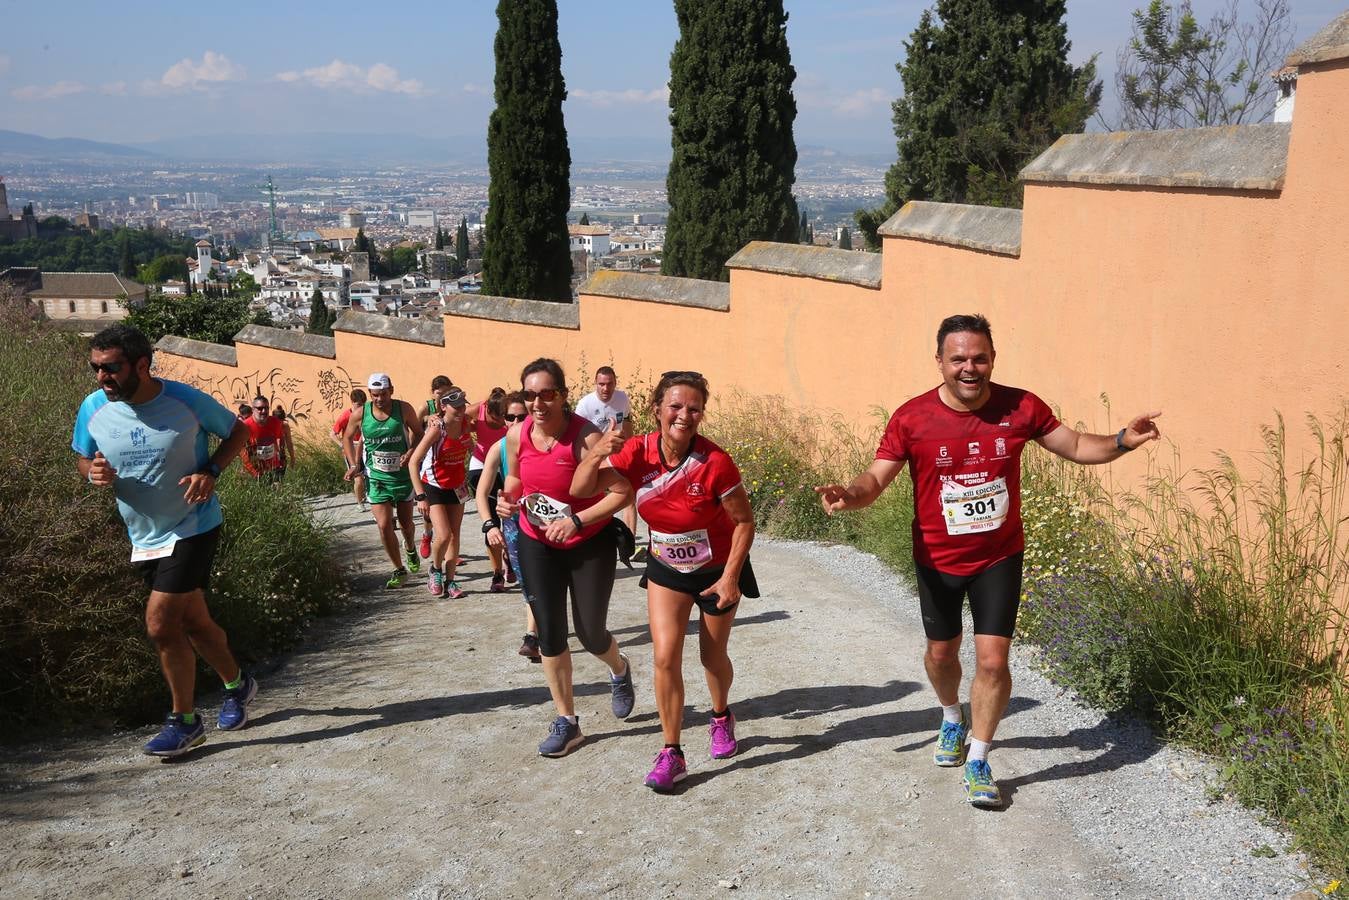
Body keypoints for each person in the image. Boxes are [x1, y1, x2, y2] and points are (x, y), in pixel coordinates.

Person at [815, 314, 1161, 808]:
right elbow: (875, 478)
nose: (969, 367)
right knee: (940, 654)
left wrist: (1124, 438)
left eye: (979, 357)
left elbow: (1080, 445)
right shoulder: (911, 418)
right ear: (940, 362)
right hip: (937, 558)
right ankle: (951, 718)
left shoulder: (1020, 406)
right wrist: (850, 495)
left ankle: (979, 756)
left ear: (993, 358)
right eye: (958, 358)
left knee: (993, 661)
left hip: (998, 556)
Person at [72, 324, 258, 758]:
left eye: (111, 368)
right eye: (96, 368)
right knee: (193, 622)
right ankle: (238, 685)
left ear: (141, 365)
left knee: (160, 624)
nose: (102, 377)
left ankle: (185, 721)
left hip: (193, 526)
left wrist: (209, 472)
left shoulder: (184, 401)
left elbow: (239, 432)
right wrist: (91, 473)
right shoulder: (93, 407)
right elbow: (83, 458)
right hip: (143, 534)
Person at [573, 370, 756, 792]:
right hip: (667, 568)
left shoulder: (716, 463)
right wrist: (595, 453)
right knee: (664, 656)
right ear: (656, 409)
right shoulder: (636, 452)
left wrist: (731, 578)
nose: (684, 415)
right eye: (675, 406)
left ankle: (720, 714)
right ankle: (671, 752)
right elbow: (581, 488)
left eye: (694, 408)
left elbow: (745, 522)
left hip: (716, 570)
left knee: (712, 658)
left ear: (702, 415)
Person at [498, 359, 636, 757]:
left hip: (587, 543)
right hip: (535, 541)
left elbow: (621, 492)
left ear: (561, 395)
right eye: (529, 395)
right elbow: (516, 479)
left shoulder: (585, 438)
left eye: (546, 394)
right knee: (550, 634)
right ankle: (568, 722)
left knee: (591, 634)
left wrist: (577, 520)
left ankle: (619, 668)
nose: (537, 403)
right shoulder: (516, 434)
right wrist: (507, 501)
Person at [342, 373, 424, 588]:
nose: (380, 399)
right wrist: (353, 465)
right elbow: (347, 437)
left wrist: (411, 452)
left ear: (392, 391)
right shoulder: (360, 414)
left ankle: (410, 548)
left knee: (406, 524)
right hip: (376, 478)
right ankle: (398, 569)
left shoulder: (404, 409)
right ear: (370, 394)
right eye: (375, 395)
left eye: (384, 394)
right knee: (383, 525)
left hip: (403, 476)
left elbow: (419, 433)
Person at [475, 391, 541, 660]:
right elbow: (481, 493)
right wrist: (489, 525)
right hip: (514, 524)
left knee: (545, 579)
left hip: (547, 522)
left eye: (521, 417)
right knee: (529, 580)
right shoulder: (498, 448)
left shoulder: (544, 444)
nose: (515, 422)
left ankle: (538, 630)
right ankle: (533, 634)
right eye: (510, 417)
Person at [408, 386, 473, 599]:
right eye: (456, 406)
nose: (461, 409)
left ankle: (451, 581)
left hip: (457, 487)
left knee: (455, 536)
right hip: (433, 486)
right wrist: (420, 496)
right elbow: (413, 462)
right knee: (443, 534)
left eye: (463, 405)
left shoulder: (465, 423)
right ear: (444, 407)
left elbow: (488, 404)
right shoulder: (437, 429)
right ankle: (435, 570)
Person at [575, 366, 640, 551]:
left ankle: (630, 542)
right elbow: (575, 435)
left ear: (615, 383)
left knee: (629, 494)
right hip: (596, 456)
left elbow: (627, 421)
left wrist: (630, 446)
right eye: (601, 384)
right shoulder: (585, 405)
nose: (605, 388)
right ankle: (593, 538)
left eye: (609, 384)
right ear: (595, 384)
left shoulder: (622, 398)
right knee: (596, 497)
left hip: (619, 455)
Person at [468, 387, 513, 591]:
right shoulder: (477, 409)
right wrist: (434, 417)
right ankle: (497, 574)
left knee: (511, 518)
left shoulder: (513, 416)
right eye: (492, 418)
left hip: (506, 466)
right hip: (481, 465)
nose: (496, 422)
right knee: (492, 521)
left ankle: (510, 556)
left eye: (501, 418)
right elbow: (452, 416)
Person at [417, 375, 455, 559]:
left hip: (447, 463)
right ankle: (427, 535)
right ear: (433, 393)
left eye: (446, 392)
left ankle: (446, 546)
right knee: (428, 513)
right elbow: (413, 429)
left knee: (447, 515)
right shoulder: (426, 407)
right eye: (439, 393)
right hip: (426, 461)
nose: (442, 396)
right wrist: (425, 419)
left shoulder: (454, 405)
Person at [332, 388, 368, 511]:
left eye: (363, 405)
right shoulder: (345, 416)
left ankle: (369, 497)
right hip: (351, 447)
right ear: (352, 402)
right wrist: (342, 445)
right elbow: (332, 433)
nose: (360, 408)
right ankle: (360, 503)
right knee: (358, 477)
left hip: (365, 446)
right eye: (358, 405)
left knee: (368, 476)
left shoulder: (367, 413)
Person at [239, 395, 287, 483]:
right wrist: (253, 471)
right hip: (253, 472)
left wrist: (283, 459)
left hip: (274, 469)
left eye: (266, 408)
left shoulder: (275, 422)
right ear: (253, 410)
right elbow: (241, 450)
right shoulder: (245, 426)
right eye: (260, 408)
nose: (264, 411)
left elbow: (280, 439)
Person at [273, 406, 295, 482]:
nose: (279, 424)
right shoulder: (269, 425)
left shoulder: (285, 426)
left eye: (280, 422)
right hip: (270, 456)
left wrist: (292, 457)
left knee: (280, 479)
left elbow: (289, 442)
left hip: (281, 456)